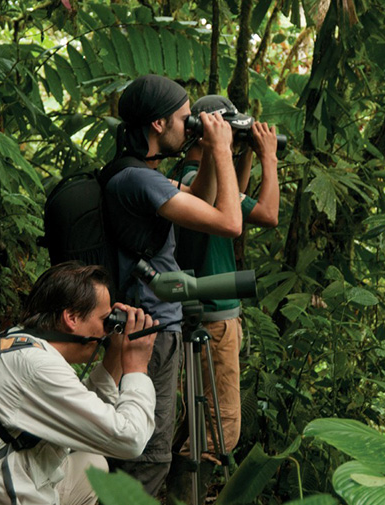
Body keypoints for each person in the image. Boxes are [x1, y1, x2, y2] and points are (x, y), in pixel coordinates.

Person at [103, 75, 244, 496]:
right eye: (187, 118)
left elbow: (198, 198)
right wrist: (220, 149)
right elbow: (230, 223)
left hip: (152, 324)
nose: (192, 125)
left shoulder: (139, 174)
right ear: (159, 125)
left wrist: (210, 157)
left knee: (141, 443)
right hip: (150, 330)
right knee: (150, 454)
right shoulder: (140, 180)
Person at [0, 261, 158, 505]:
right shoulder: (38, 366)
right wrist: (137, 368)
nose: (107, 330)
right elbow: (129, 440)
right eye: (105, 320)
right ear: (70, 317)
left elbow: (86, 417)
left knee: (91, 465)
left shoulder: (19, 340)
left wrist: (115, 355)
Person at [172, 95, 279, 473]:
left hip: (202, 312)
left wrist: (244, 151)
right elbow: (267, 214)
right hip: (213, 318)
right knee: (219, 430)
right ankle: (189, 493)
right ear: (206, 134)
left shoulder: (187, 180)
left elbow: (231, 198)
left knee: (195, 417)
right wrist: (269, 155)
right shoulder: (192, 181)